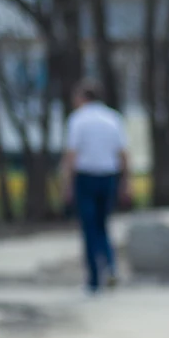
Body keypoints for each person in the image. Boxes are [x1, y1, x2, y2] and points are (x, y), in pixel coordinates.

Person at [61, 80, 132, 292]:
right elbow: (123, 154)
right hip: (109, 176)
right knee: (103, 225)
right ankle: (110, 267)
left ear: (83, 97)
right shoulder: (113, 118)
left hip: (86, 177)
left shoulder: (78, 120)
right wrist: (126, 182)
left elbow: (71, 155)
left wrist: (67, 185)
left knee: (89, 227)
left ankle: (93, 278)